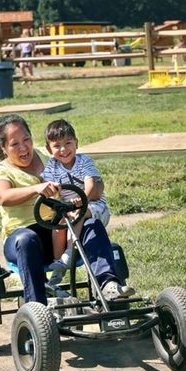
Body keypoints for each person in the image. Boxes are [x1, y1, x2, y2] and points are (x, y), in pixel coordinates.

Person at [0, 114, 134, 305]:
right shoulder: (1, 171)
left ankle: (108, 286)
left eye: (26, 140)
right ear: (3, 148)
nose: (23, 147)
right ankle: (37, 304)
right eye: (15, 144)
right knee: (27, 239)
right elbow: (3, 197)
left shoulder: (51, 157)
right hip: (23, 239)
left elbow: (91, 181)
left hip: (62, 231)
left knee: (92, 225)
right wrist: (35, 188)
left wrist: (93, 189)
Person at [40, 119, 110, 286]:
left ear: (76, 144)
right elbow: (49, 187)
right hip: (69, 208)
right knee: (58, 225)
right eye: (57, 146)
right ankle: (59, 265)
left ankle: (70, 252)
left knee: (77, 214)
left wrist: (83, 199)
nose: (63, 149)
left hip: (94, 206)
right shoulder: (52, 166)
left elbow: (91, 184)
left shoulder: (83, 161)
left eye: (68, 143)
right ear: (49, 149)